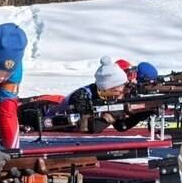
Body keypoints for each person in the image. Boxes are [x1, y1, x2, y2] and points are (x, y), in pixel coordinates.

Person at [18, 56, 154, 134]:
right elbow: (89, 128)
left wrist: (144, 111)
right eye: (121, 86)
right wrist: (113, 115)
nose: (124, 90)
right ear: (109, 87)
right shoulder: (83, 96)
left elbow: (121, 126)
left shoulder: (109, 97)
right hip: (36, 115)